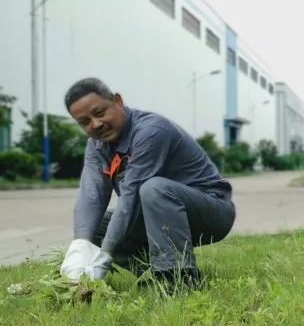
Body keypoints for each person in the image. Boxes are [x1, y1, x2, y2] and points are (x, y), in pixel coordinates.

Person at [59, 78, 235, 290]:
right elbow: (91, 196)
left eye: (100, 112)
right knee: (97, 226)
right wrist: (80, 247)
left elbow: (130, 198)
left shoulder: (151, 130)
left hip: (211, 211)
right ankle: (154, 276)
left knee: (153, 188)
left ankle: (178, 279)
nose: (96, 124)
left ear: (117, 101)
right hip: (157, 216)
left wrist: (104, 256)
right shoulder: (97, 145)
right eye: (85, 122)